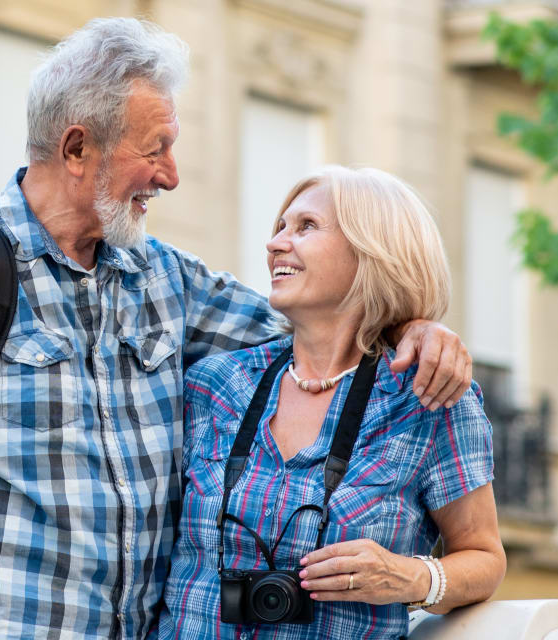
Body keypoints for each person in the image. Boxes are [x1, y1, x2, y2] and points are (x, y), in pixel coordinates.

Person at [0, 19, 471, 640]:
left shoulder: (165, 279)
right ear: (77, 148)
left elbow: (324, 324)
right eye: (156, 148)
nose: (170, 175)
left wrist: (414, 326)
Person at [157, 166, 506, 639]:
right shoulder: (216, 385)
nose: (276, 243)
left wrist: (409, 577)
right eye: (279, 227)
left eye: (306, 227)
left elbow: (485, 558)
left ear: (373, 251)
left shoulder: (430, 398)